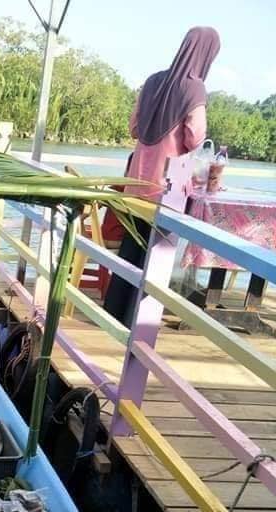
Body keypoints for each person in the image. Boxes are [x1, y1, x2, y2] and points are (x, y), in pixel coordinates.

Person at [102, 26, 221, 324]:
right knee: (156, 260)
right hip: (166, 189)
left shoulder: (153, 80)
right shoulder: (193, 88)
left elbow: (134, 128)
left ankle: (114, 316)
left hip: (135, 183)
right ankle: (138, 324)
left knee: (130, 254)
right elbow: (195, 138)